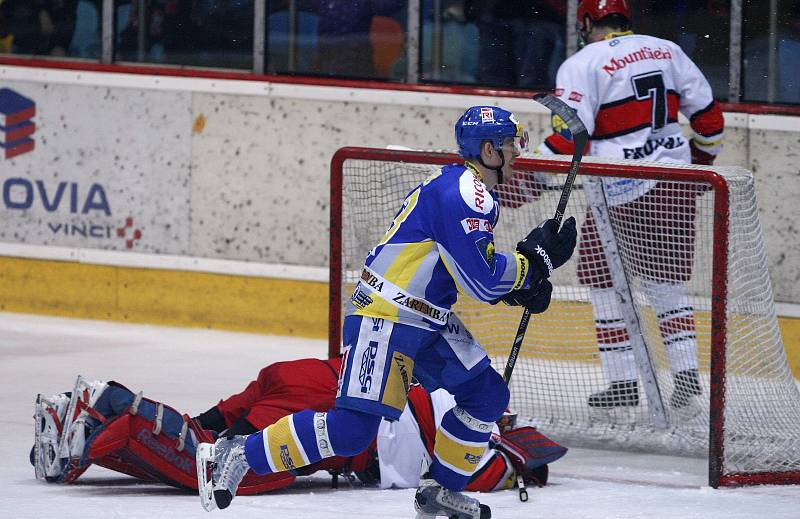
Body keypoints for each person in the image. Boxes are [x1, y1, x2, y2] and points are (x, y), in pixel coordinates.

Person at [196, 105, 577, 518]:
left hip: (427, 317)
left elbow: (455, 266)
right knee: (351, 433)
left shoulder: (469, 187)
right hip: (388, 316)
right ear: (488, 150)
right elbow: (482, 280)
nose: (518, 152)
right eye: (509, 144)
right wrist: (532, 265)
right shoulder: (465, 193)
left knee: (486, 394)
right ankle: (238, 452)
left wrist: (519, 285)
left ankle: (440, 491)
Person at [535, 0, 724, 410]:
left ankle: (622, 381)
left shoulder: (582, 63)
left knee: (603, 284)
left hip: (618, 193)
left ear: (586, 20)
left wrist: (527, 178)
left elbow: (570, 138)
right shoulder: (668, 50)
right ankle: (687, 375)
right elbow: (710, 122)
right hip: (675, 184)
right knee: (666, 285)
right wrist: (697, 168)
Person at [32, 357, 567, 494]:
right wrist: (523, 473)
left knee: (201, 432)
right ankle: (115, 412)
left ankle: (77, 418)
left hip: (304, 375)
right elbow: (479, 474)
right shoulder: (465, 429)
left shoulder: (451, 375)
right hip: (323, 409)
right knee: (218, 468)